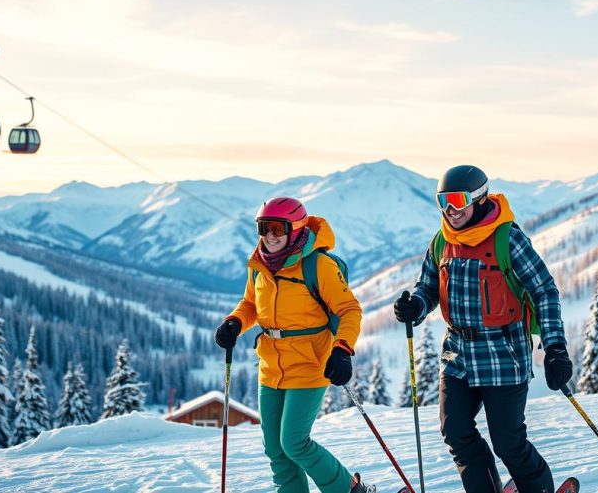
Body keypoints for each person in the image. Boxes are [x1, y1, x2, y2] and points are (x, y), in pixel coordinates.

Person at [393, 165, 573, 493]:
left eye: (458, 201)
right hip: (458, 354)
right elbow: (428, 287)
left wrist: (555, 347)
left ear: (478, 198)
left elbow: (544, 290)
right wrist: (416, 306)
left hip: (503, 355)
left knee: (508, 443)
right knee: (457, 433)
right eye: (443, 201)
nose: (450, 210)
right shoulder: (441, 241)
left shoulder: (508, 238)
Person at [215, 197, 376, 493]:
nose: (270, 235)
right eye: (264, 227)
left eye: (278, 228)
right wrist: (235, 322)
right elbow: (250, 302)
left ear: (297, 229)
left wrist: (342, 349)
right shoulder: (258, 264)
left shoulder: (318, 265)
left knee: (295, 443)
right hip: (270, 365)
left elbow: (349, 309)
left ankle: (350, 489)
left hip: (311, 362)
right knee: (275, 448)